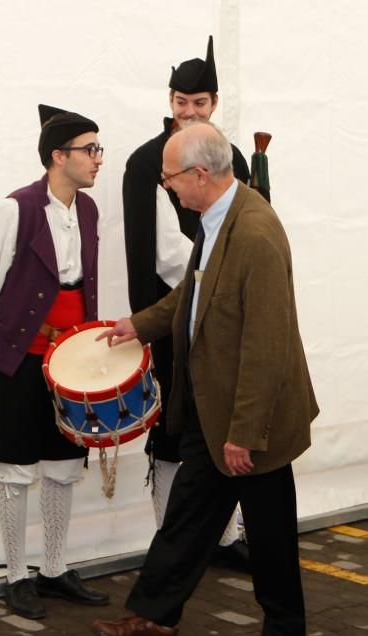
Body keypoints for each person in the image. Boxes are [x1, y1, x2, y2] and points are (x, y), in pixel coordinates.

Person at [92, 123, 319, 636]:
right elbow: (192, 297)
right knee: (189, 517)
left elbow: (267, 344)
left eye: (171, 179)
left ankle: (284, 634)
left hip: (250, 418)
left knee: (268, 532)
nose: (168, 188)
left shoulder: (255, 233)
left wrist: (245, 431)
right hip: (214, 406)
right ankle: (155, 618)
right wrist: (139, 326)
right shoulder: (215, 221)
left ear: (200, 174)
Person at [0, 104, 109, 619]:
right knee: (16, 469)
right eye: (90, 149)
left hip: (70, 360)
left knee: (62, 468)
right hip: (20, 357)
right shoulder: (14, 210)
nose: (98, 159)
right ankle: (17, 575)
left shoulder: (87, 211)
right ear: (58, 156)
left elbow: (84, 287)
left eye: (98, 148)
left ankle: (56, 569)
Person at [123, 36, 250, 569]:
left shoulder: (233, 159)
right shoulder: (145, 163)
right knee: (172, 432)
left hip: (223, 320)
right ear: (169, 100)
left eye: (199, 103)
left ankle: (227, 536)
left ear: (214, 104)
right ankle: (169, 539)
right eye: (181, 101)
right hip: (173, 316)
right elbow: (158, 253)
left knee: (224, 422)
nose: (189, 111)